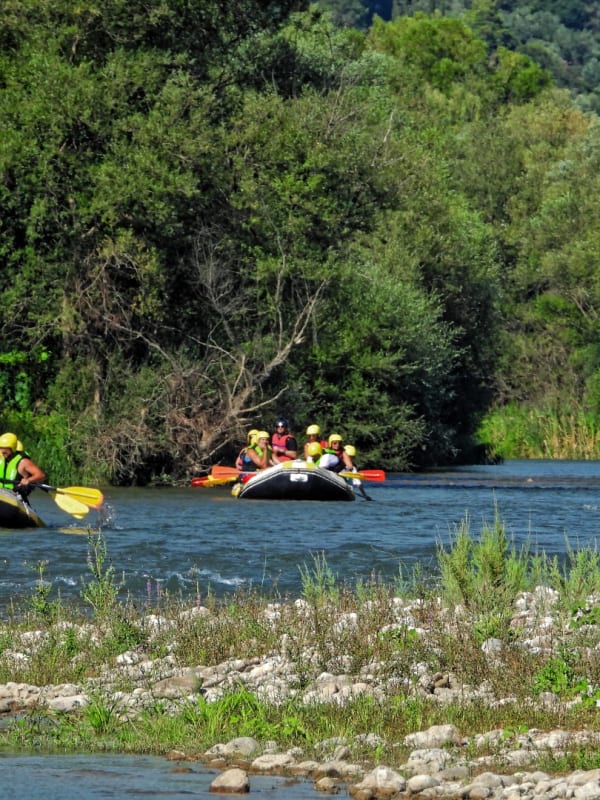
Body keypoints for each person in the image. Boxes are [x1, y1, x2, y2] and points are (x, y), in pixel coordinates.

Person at [0, 432, 46, 498]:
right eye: (0, 448)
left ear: (12, 448)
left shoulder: (23, 461)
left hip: (15, 496)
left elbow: (40, 475)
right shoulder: (2, 458)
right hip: (2, 493)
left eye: (5, 448)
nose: (2, 451)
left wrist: (28, 480)